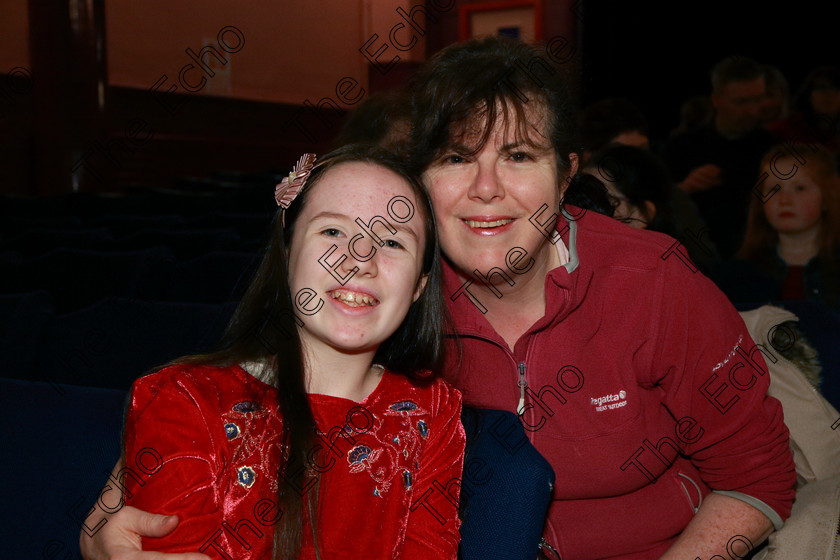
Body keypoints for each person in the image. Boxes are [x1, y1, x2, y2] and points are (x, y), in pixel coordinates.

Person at [82, 37, 795, 560]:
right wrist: (107, 526)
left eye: (518, 156)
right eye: (457, 156)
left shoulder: (656, 285)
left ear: (566, 172)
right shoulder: (393, 289)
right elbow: (254, 383)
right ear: (421, 180)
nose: (486, 188)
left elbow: (759, 478)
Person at [114, 144, 465, 559]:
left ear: (420, 285)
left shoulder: (431, 413)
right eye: (333, 231)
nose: (358, 259)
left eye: (391, 241)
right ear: (287, 250)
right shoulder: (186, 400)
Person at [661, 55, 777, 259]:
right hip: (692, 260)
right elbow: (658, 206)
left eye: (758, 100)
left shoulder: (774, 149)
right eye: (742, 102)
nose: (752, 110)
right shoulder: (681, 148)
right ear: (716, 99)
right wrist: (684, 189)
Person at [715, 143, 840, 312]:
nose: (784, 200)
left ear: (827, 197)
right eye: (775, 189)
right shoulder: (738, 275)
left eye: (799, 188)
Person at [584, 144, 720, 274]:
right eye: (582, 192)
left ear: (640, 215)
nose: (585, 206)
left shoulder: (665, 278)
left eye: (605, 200)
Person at [768, 65, 840, 154]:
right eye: (821, 87)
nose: (828, 94)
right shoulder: (783, 130)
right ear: (809, 94)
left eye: (836, 89)